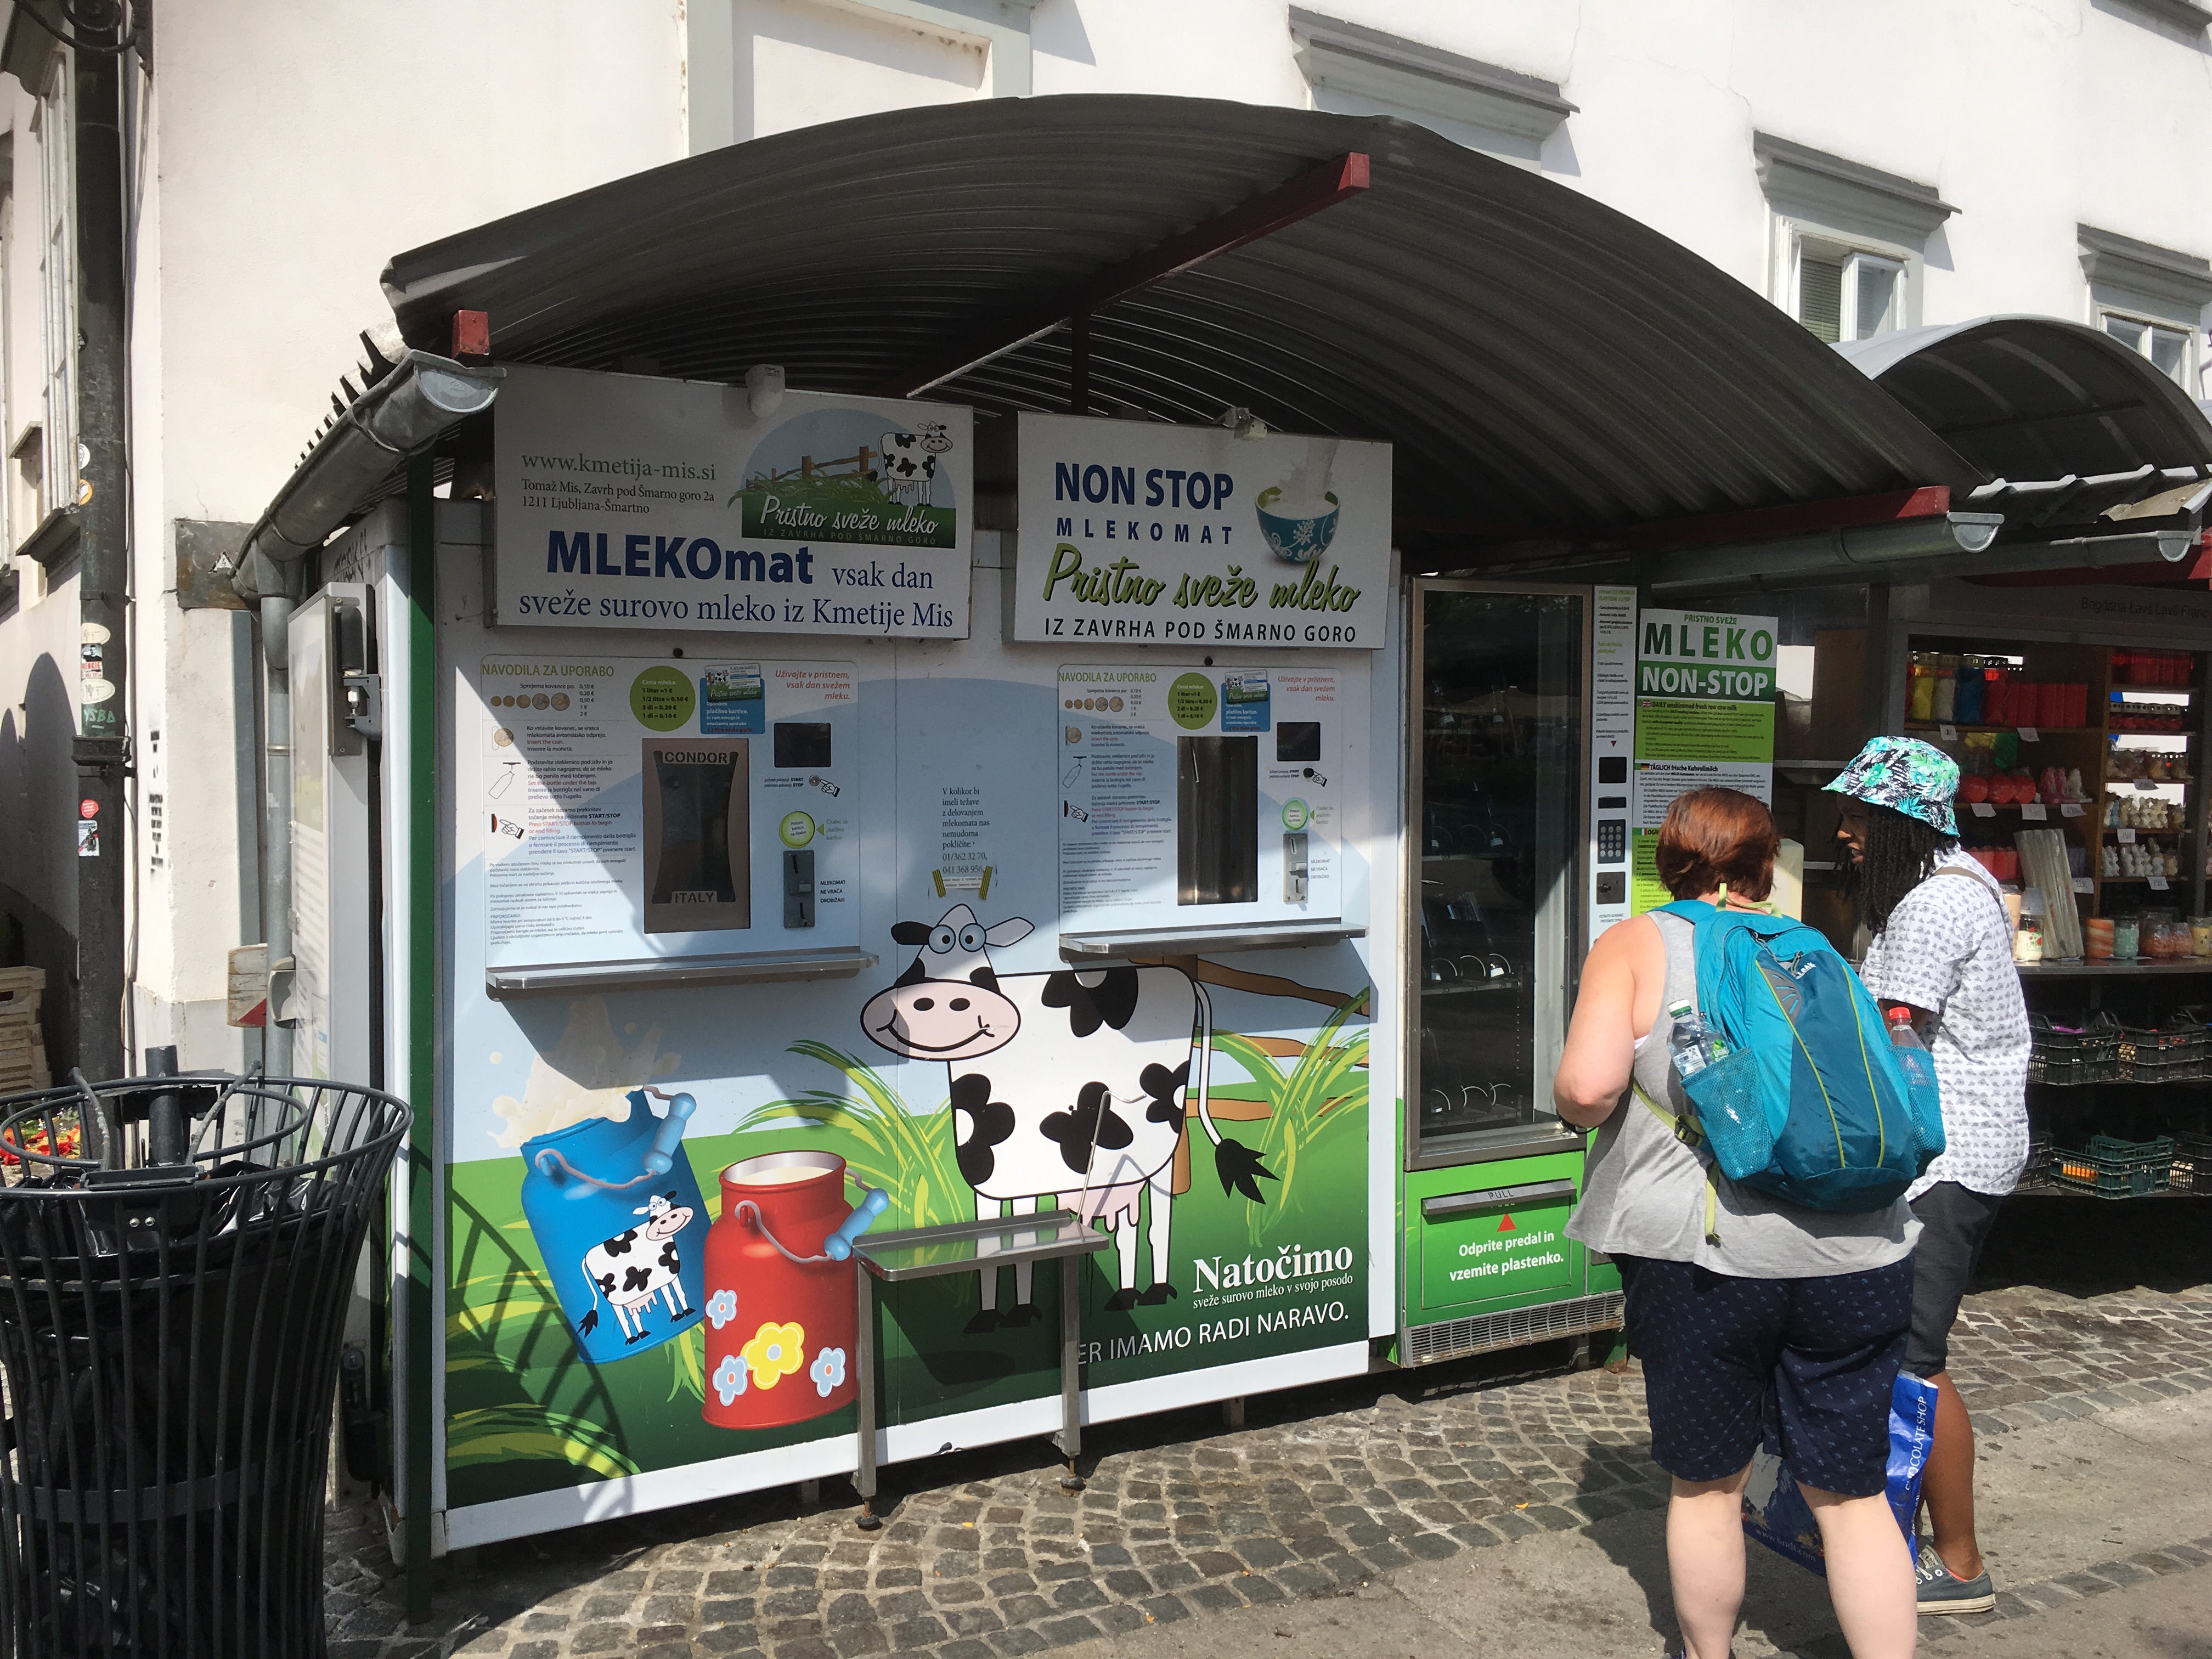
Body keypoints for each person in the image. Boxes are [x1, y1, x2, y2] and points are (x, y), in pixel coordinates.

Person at [1556, 787, 1921, 1659]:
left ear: (1669, 859)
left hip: (1709, 1258)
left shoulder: (1636, 942)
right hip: (1864, 1252)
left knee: (1710, 1487)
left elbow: (1587, 1089)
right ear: (1767, 866)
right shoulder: (1816, 948)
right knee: (1854, 1496)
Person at [1828, 736, 2029, 1617]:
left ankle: (1959, 1566)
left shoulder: (1934, 908)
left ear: (1902, 820)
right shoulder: (1942, 889)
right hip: (1951, 1153)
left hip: (1946, 1161)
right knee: (1905, 1354)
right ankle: (1904, 1538)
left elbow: (1884, 1035)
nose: (1844, 832)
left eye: (1859, 817)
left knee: (1915, 1358)